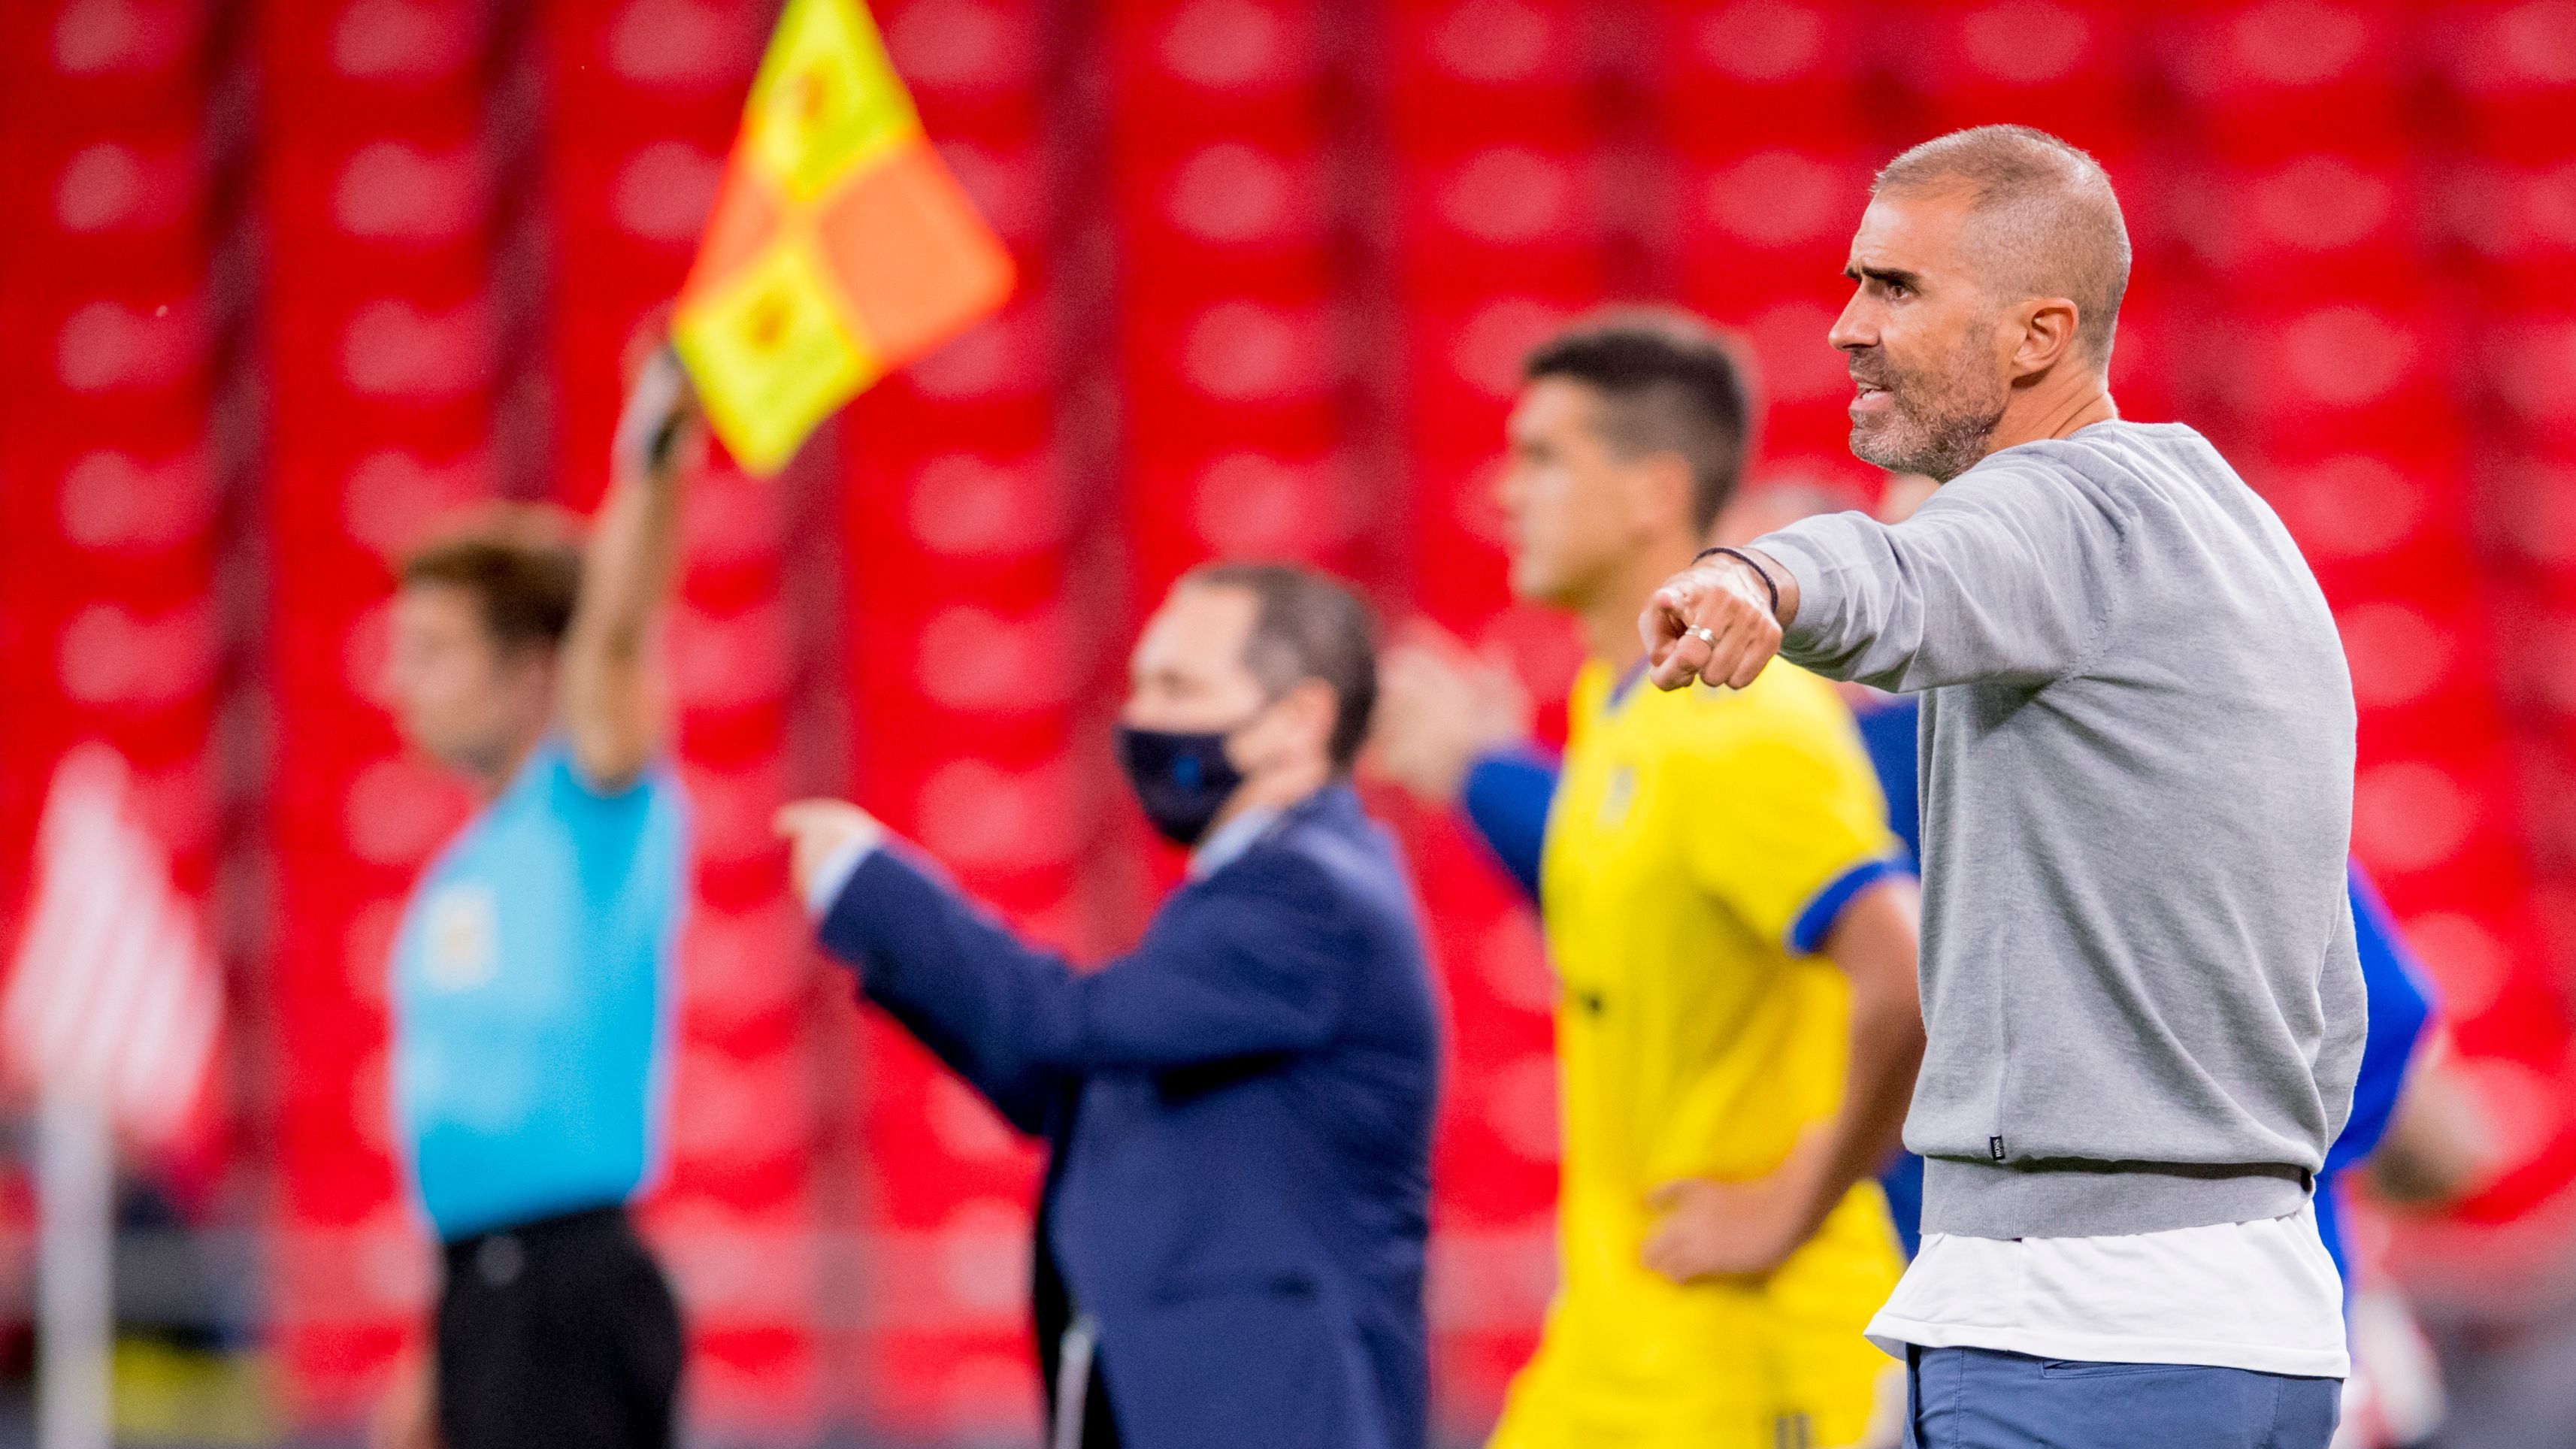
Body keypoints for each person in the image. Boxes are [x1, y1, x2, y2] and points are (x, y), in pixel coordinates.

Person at [1641, 125, 2368, 1447]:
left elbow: (1894, 574)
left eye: (1896, 289)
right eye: (1855, 279)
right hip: (2253, 1320)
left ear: (2039, 332)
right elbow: (2330, 1003)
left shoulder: (2056, 507)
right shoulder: (2230, 524)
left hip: (2075, 1335)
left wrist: (1754, 576)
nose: (1843, 328)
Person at [1373, 313, 1924, 1449]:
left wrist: (1791, 1204)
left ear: (1649, 492)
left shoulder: (1741, 722)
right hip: (1617, 1345)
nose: (1502, 494)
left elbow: (1906, 976)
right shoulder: (1613, 705)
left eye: (1542, 458)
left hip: (1754, 1362)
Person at [775, 564, 1439, 1449]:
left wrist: (869, 885)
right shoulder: (1253, 887)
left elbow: (1065, 1025)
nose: (1141, 718)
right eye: (1138, 685)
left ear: (1298, 721)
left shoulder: (1306, 893)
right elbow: (1067, 1077)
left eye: (1179, 686)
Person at [371, 346, 701, 1449]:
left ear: (528, 672)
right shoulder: (466, 865)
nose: (399, 683)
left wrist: (651, 456)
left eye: (432, 651)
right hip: (484, 1290)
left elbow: (616, 631)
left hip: (568, 1290)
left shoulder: (591, 801)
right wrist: (440, 1341)